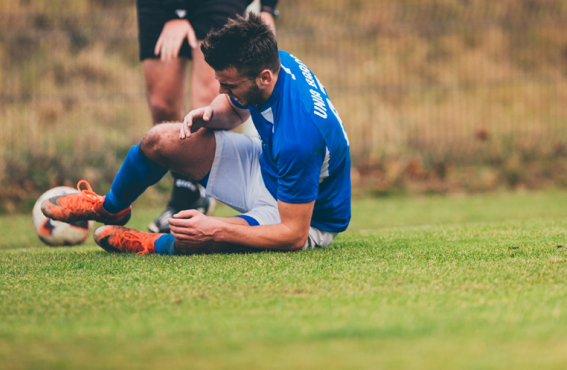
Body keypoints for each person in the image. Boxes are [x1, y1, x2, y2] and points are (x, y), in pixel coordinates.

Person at [42, 13, 351, 254]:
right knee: (159, 140)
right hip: (269, 164)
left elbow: (293, 235)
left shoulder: (299, 139)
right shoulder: (274, 61)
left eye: (229, 85)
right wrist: (213, 114)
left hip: (305, 217)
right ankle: (111, 208)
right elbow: (236, 109)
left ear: (264, 77)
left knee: (198, 233)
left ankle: (150, 243)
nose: (221, 90)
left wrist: (217, 228)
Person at [133, 0, 289, 233]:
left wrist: (268, 5)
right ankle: (185, 180)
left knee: (211, 89)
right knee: (162, 102)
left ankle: (189, 196)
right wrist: (175, 12)